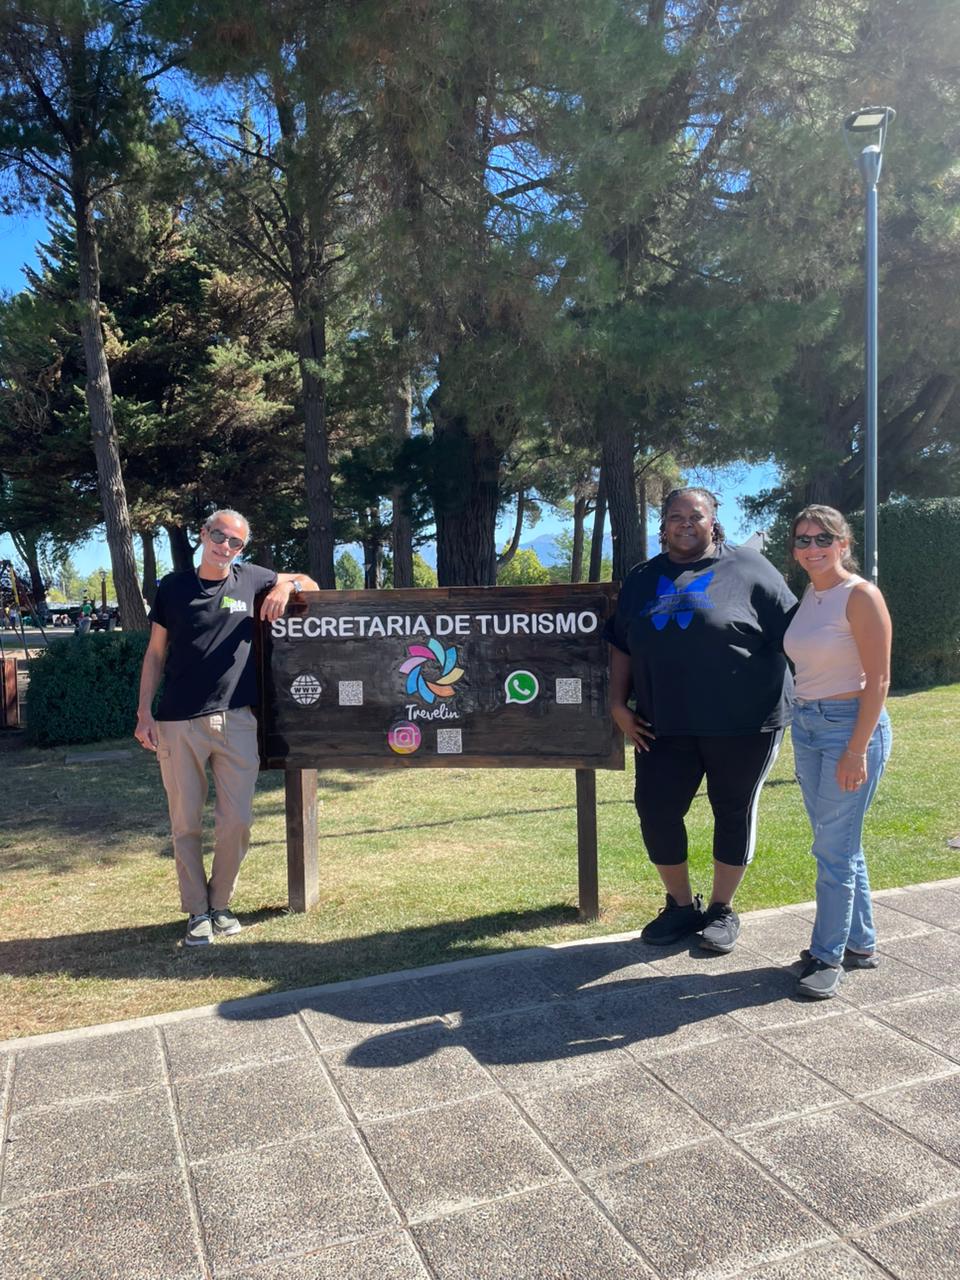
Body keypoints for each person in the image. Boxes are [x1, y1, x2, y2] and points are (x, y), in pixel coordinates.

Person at [606, 487, 797, 952]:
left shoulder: (750, 568)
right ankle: (680, 907)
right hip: (662, 723)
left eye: (696, 515)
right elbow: (622, 644)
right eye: (676, 516)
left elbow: (797, 634)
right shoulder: (642, 578)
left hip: (745, 724)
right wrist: (617, 704)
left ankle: (721, 909)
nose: (685, 523)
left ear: (713, 520)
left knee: (732, 811)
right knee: (656, 810)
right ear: (663, 524)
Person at [134, 509, 318, 947]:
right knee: (186, 824)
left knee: (237, 821)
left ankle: (220, 903)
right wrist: (144, 712)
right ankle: (197, 911)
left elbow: (309, 582)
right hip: (178, 723)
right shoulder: (173, 587)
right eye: (219, 536)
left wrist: (286, 586)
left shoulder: (251, 579)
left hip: (237, 720)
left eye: (236, 542)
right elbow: (155, 654)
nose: (226, 547)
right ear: (203, 535)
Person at [784, 505, 892, 999]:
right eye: (803, 540)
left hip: (849, 728)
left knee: (834, 850)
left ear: (843, 544)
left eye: (822, 538)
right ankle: (860, 944)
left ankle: (827, 956)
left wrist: (857, 749)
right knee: (838, 842)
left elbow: (880, 680)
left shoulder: (860, 595)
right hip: (807, 725)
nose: (812, 548)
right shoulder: (811, 594)